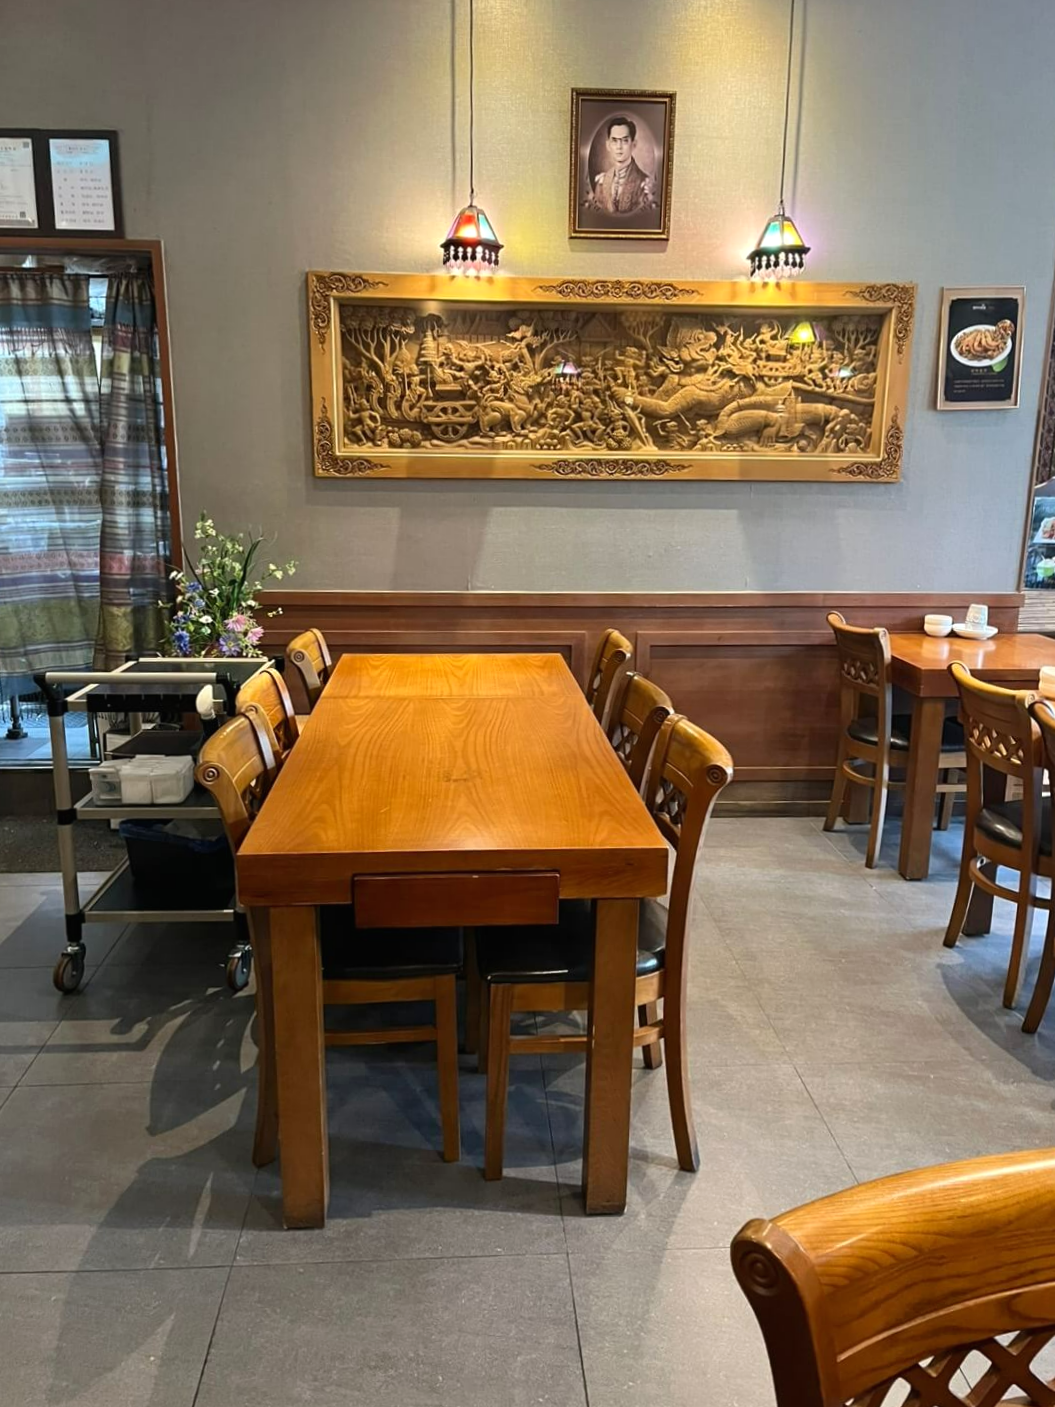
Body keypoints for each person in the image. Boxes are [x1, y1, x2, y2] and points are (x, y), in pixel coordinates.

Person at [586, 116, 656, 215]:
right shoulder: (601, 183)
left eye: (625, 141)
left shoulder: (644, 185)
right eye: (614, 140)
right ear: (608, 145)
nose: (619, 147)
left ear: (633, 145)